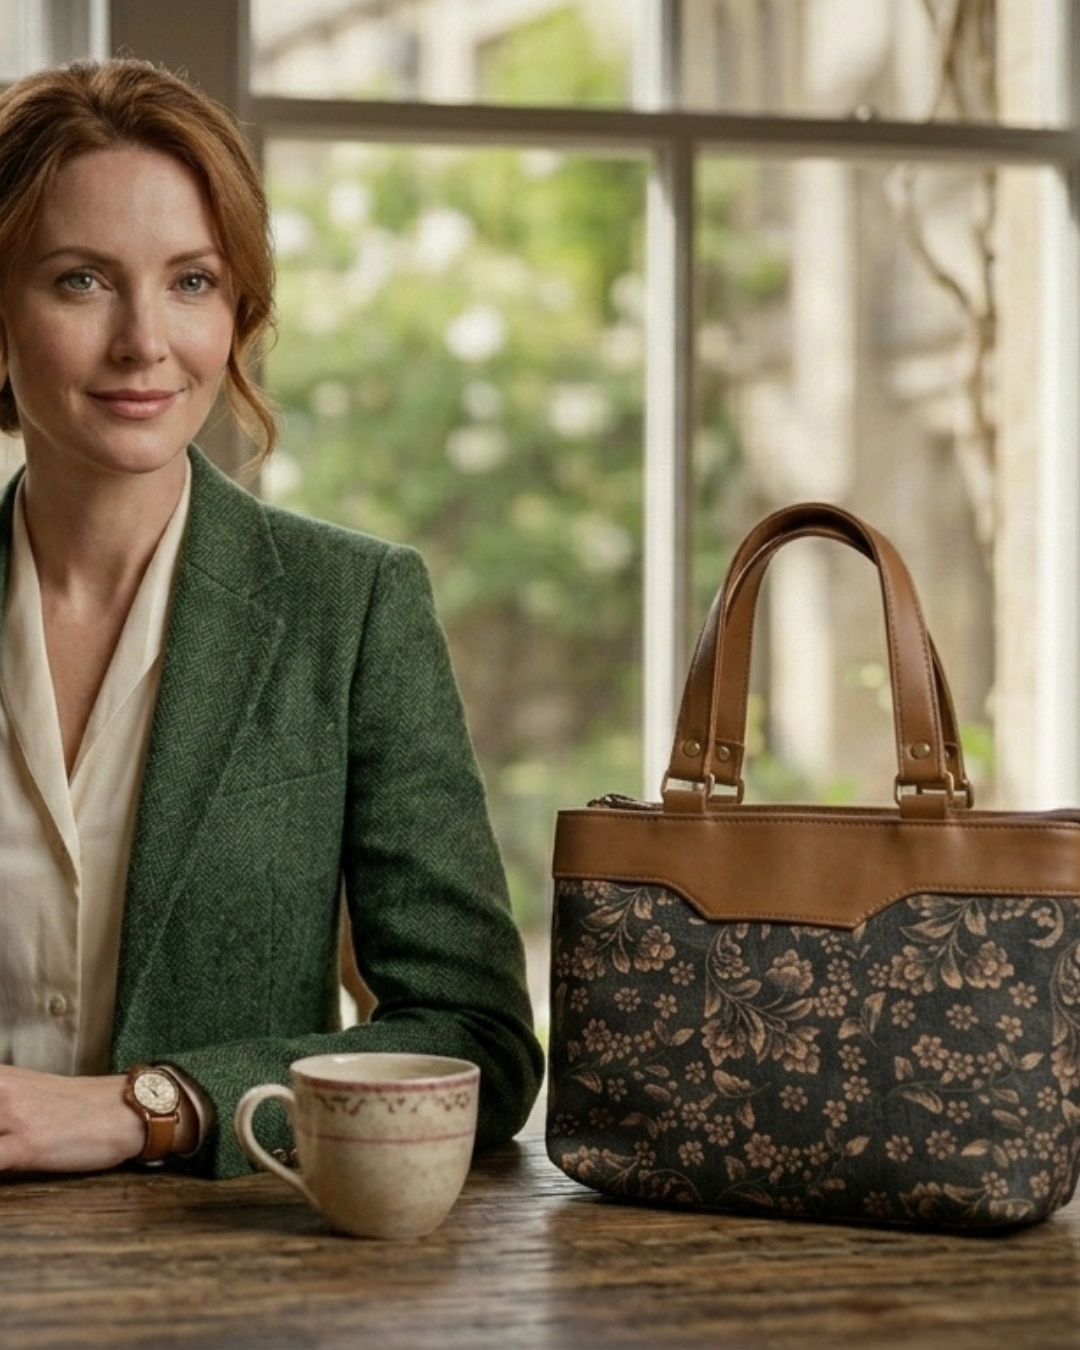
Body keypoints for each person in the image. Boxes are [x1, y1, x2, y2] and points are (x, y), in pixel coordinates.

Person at [0, 57, 543, 1179]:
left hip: (232, 1279)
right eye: (80, 281)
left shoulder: (351, 612)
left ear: (239, 307)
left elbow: (475, 1042)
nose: (145, 341)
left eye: (191, 281)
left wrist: (151, 1106)